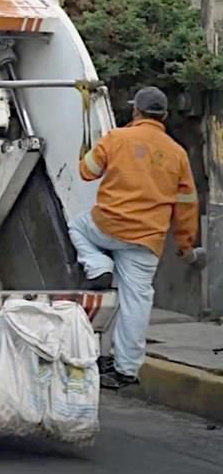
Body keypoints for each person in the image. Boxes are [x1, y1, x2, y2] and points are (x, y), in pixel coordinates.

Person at [68, 86, 199, 389]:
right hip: (147, 240)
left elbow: (86, 172)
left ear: (136, 112)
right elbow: (187, 205)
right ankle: (126, 369)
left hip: (107, 227)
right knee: (137, 302)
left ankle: (97, 264)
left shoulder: (117, 138)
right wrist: (185, 245)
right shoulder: (178, 154)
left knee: (77, 227)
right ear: (164, 116)